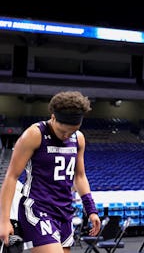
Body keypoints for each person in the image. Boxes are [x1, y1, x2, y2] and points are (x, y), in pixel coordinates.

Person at [0, 91, 101, 252]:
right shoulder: (34, 134)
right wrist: (4, 221)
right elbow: (11, 177)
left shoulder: (79, 139)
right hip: (37, 208)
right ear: (53, 117)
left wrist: (91, 210)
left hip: (64, 211)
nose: (67, 136)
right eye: (63, 131)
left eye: (72, 131)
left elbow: (80, 176)